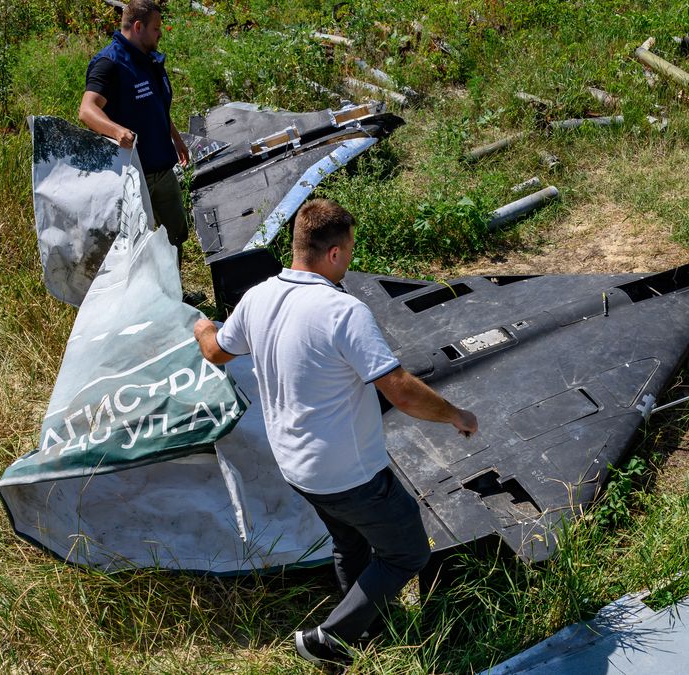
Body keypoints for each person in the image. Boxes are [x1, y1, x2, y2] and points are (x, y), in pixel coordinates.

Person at [193, 199, 478, 666]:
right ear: (333, 254)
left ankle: (366, 629)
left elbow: (216, 352)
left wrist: (204, 326)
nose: (349, 259)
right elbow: (401, 391)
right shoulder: (343, 311)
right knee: (407, 553)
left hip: (294, 464)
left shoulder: (257, 298)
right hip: (348, 473)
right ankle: (329, 640)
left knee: (349, 542)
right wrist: (456, 415)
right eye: (348, 250)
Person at [79, 0, 196, 280]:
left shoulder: (149, 59)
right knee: (139, 244)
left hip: (162, 165)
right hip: (133, 176)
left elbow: (156, 105)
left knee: (175, 233)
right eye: (156, 28)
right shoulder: (110, 63)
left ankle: (174, 295)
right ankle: (145, 303)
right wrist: (116, 130)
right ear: (138, 26)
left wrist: (176, 138)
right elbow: (87, 110)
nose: (160, 34)